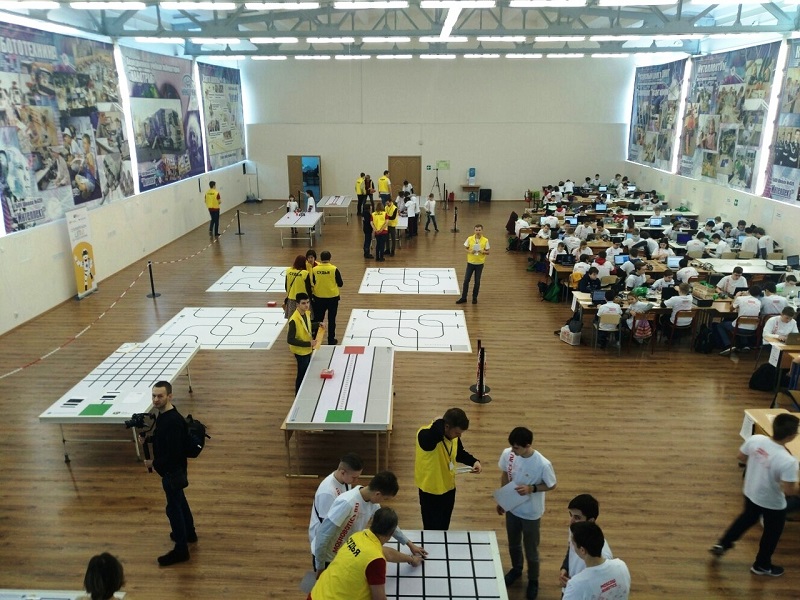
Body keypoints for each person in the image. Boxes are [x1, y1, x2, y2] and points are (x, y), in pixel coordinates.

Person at [710, 413, 800, 577]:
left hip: (751, 491)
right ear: (791, 436)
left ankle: (723, 544)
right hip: (772, 503)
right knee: (772, 534)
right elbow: (789, 491)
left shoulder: (756, 439)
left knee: (746, 519)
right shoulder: (788, 461)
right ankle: (762, 565)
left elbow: (741, 457)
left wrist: (761, 466)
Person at [313, 471, 426, 572]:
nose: (383, 501)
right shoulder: (347, 503)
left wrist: (409, 544)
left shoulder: (373, 503)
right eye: (385, 498)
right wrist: (320, 567)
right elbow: (323, 535)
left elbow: (388, 523)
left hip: (344, 554)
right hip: (328, 559)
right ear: (378, 494)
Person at [497, 426, 557, 600]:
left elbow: (552, 485)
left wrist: (532, 488)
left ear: (528, 445)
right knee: (513, 544)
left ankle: (533, 580)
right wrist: (503, 500)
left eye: (516, 448)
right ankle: (516, 569)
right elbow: (504, 475)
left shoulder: (543, 464)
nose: (513, 451)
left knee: (531, 549)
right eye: (512, 446)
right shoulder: (508, 454)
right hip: (513, 510)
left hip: (531, 514)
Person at [309, 507, 416, 600]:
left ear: (372, 523)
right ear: (391, 533)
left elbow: (387, 553)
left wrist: (411, 559)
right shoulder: (376, 560)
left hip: (316, 594)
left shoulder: (358, 536)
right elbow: (379, 598)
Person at [143, 381, 196, 566]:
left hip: (173, 471)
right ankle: (190, 534)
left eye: (160, 396)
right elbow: (165, 440)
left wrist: (153, 463)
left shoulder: (172, 421)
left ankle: (181, 550)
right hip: (175, 471)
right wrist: (149, 438)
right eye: (154, 396)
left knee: (173, 509)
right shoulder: (165, 415)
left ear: (170, 396)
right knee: (180, 501)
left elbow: (174, 453)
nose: (156, 399)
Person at [415, 408, 482, 530]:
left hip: (448, 488)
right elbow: (434, 434)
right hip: (430, 491)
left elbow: (458, 453)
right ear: (445, 426)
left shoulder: (453, 436)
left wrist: (474, 461)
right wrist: (439, 421)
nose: (459, 435)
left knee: (444, 526)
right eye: (457, 432)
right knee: (431, 529)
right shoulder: (425, 435)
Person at [309, 453, 364, 565]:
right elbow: (326, 527)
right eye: (354, 477)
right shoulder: (327, 492)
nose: (356, 481)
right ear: (342, 472)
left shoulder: (344, 480)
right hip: (324, 542)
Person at [558, 495, 613, 594]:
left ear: (591, 521)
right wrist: (565, 567)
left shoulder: (604, 555)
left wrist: (576, 587)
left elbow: (600, 588)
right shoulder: (574, 530)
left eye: (577, 517)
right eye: (571, 515)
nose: (571, 521)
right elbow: (570, 550)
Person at [563, 522, 630, 600]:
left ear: (582, 550)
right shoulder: (621, 566)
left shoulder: (575, 585)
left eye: (572, 543)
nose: (571, 545)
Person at [716, 285, 763, 355]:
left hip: (739, 328)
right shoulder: (759, 302)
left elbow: (731, 309)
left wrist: (736, 297)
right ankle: (744, 344)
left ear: (749, 291)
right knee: (743, 323)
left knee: (720, 325)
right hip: (753, 329)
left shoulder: (740, 299)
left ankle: (727, 345)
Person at [287, 293, 319, 393]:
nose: (306, 305)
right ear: (297, 304)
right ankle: (298, 394)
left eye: (308, 302)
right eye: (303, 303)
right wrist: (308, 344)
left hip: (307, 350)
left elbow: (307, 326)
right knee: (302, 374)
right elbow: (290, 340)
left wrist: (318, 324)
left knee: (305, 372)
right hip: (300, 352)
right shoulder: (294, 320)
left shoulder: (306, 314)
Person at [312, 251, 343, 345]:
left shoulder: (315, 269)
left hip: (318, 297)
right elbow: (340, 284)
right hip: (332, 297)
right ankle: (331, 339)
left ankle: (316, 339)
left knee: (318, 319)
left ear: (320, 258)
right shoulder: (334, 269)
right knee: (331, 319)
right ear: (330, 258)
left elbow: (313, 282)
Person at [456, 225, 490, 305]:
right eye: (476, 230)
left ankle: (474, 298)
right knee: (466, 280)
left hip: (479, 263)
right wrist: (470, 251)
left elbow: (488, 252)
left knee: (477, 281)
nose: (478, 232)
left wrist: (482, 251)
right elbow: (465, 248)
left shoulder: (485, 240)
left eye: (479, 230)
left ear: (482, 230)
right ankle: (464, 297)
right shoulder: (469, 238)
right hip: (470, 262)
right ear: (474, 231)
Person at [285, 255, 313, 319]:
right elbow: (308, 288)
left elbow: (286, 286)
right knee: (304, 319)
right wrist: (310, 298)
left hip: (291, 298)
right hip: (303, 300)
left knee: (292, 319)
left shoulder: (288, 271)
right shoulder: (305, 273)